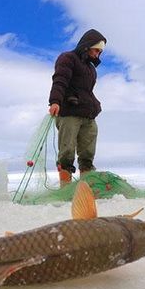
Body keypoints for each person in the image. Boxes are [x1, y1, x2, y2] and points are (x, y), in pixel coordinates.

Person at [48, 29, 106, 187]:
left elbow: (87, 90)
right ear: (87, 46)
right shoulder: (68, 58)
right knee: (67, 153)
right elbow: (60, 80)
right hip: (69, 113)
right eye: (96, 50)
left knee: (87, 155)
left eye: (100, 52)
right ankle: (65, 189)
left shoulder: (91, 68)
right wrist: (55, 101)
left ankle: (86, 189)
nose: (98, 54)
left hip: (88, 115)